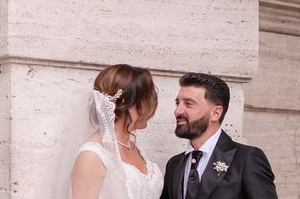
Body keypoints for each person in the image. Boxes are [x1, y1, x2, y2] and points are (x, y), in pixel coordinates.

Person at [160, 73, 277, 199]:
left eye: (188, 104)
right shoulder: (174, 164)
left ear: (215, 113)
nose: (177, 111)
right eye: (178, 103)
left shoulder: (247, 159)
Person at [69, 64, 164, 199]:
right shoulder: (92, 156)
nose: (151, 108)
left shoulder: (132, 145)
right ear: (128, 104)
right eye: (148, 100)